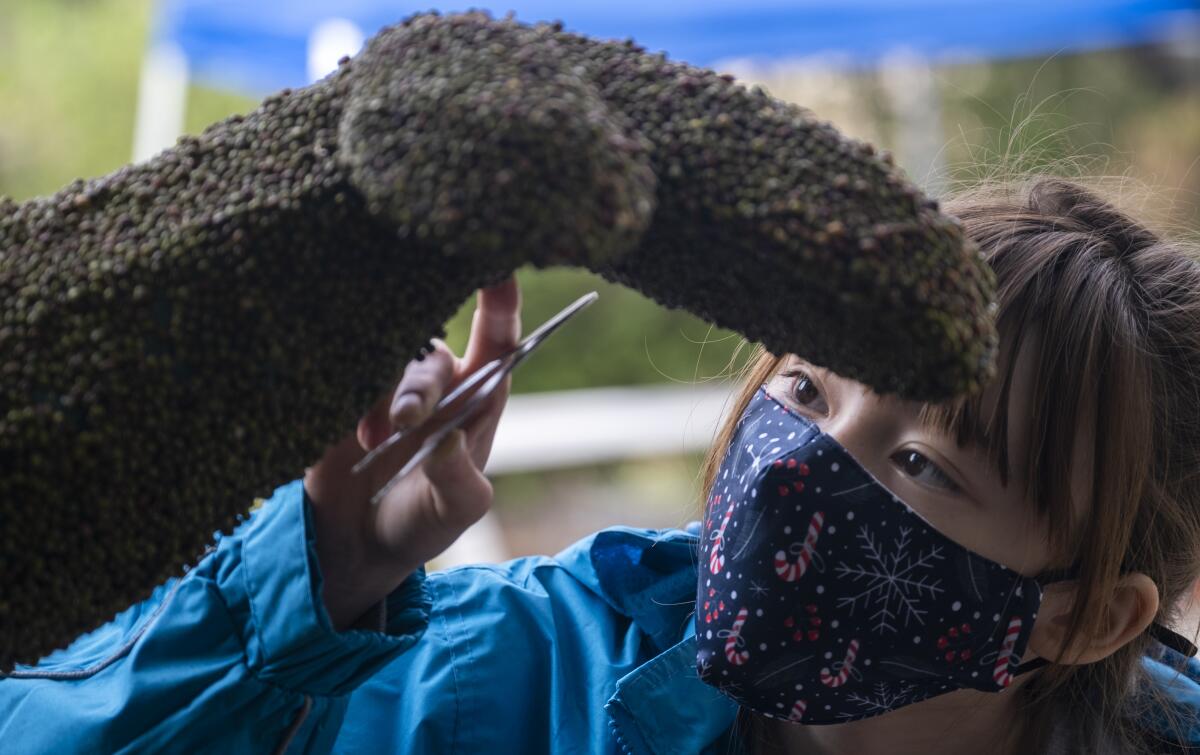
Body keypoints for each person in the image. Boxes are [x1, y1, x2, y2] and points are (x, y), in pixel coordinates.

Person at [2, 176, 1199, 755]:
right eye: (803, 387)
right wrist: (313, 578)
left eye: (925, 462)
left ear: (1086, 616)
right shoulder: (507, 675)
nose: (796, 473)